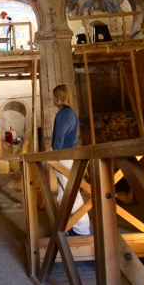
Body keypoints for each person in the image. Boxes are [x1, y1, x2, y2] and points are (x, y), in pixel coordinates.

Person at [50, 84, 90, 236]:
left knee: (71, 195)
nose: (53, 98)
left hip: (63, 157)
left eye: (54, 96)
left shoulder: (62, 114)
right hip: (69, 157)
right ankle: (67, 226)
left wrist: (53, 155)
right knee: (63, 195)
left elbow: (58, 140)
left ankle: (82, 228)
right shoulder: (71, 113)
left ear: (59, 97)